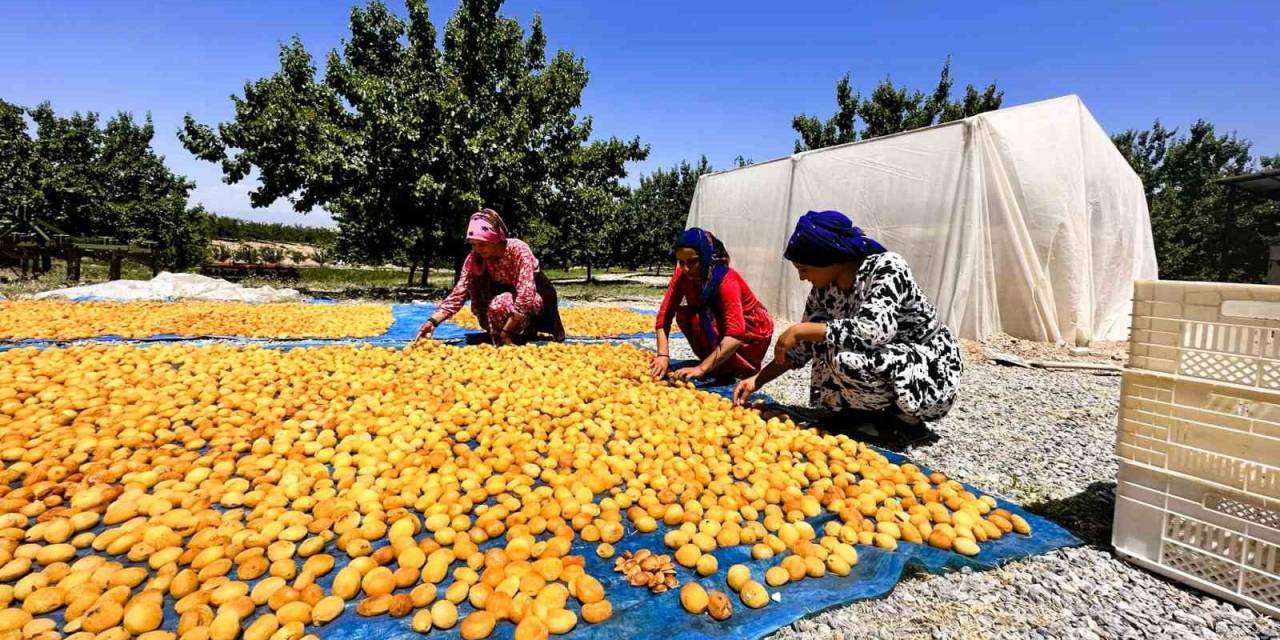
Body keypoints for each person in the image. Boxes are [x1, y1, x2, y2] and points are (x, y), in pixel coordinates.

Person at [732, 210, 962, 434]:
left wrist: (801, 330)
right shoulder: (823, 290)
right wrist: (757, 381)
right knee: (823, 336)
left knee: (842, 354)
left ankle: (904, 420)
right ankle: (861, 413)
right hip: (887, 358)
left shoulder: (887, 268)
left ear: (831, 258)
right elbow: (800, 350)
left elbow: (874, 330)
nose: (802, 277)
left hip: (927, 367)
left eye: (804, 269)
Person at [417, 208, 565, 345]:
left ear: (496, 239)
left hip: (536, 300)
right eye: (473, 244)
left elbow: (525, 296)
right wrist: (432, 322)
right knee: (483, 297)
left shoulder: (518, 250)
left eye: (482, 244)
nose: (476, 249)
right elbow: (459, 292)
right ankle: (506, 333)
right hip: (506, 299)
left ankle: (523, 330)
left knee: (499, 305)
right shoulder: (476, 257)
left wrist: (506, 332)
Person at [651, 228, 774, 382]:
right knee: (687, 314)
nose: (686, 269)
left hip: (750, 330)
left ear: (705, 256)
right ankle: (716, 362)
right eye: (681, 262)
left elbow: (735, 334)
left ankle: (735, 367)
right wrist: (663, 355)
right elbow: (664, 317)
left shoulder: (726, 280)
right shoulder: (682, 276)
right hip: (722, 325)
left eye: (692, 261)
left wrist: (701, 368)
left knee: (708, 320)